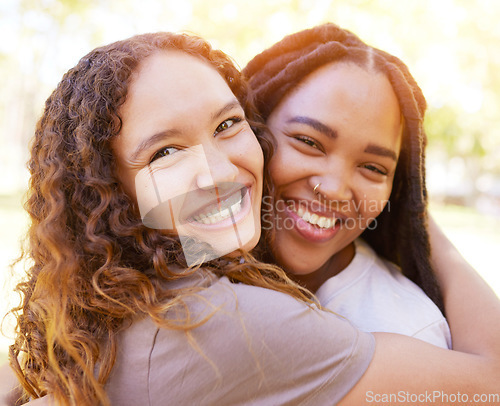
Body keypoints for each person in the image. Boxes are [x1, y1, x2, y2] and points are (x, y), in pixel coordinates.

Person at [1, 30, 500, 406]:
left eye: (226, 124)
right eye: (165, 152)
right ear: (106, 191)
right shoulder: (229, 320)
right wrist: (430, 232)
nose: (218, 171)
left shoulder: (126, 279)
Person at [244, 23, 450, 347]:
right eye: (308, 142)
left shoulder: (409, 331)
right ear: (253, 129)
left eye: (372, 167)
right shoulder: (185, 252)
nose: (334, 189)